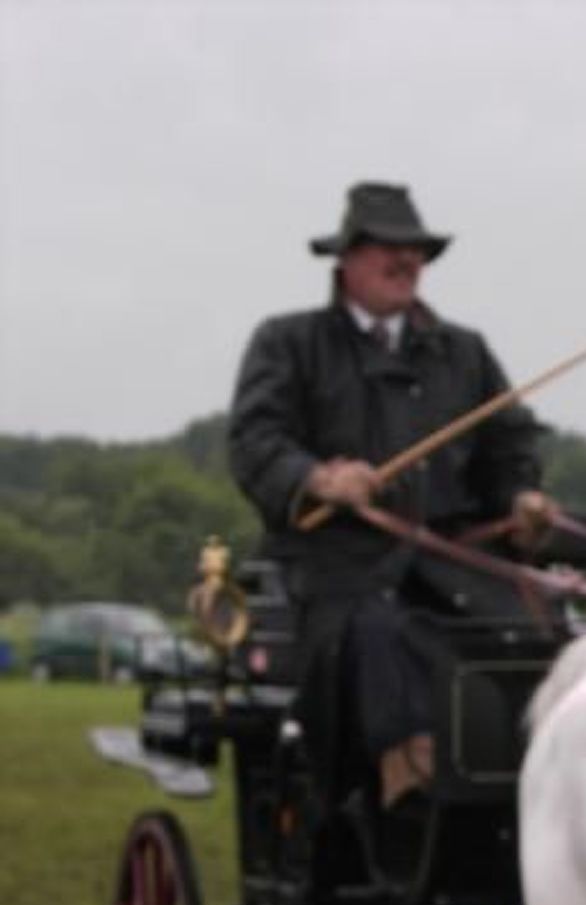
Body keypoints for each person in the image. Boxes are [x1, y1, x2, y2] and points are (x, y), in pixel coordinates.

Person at [227, 182, 561, 822]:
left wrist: (522, 500)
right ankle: (407, 785)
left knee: (532, 633)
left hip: (455, 564)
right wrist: (321, 479)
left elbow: (507, 447)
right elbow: (255, 443)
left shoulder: (465, 353)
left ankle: (542, 774)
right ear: (347, 261)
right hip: (338, 571)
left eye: (416, 251)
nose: (407, 262)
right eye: (389, 250)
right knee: (380, 631)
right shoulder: (288, 343)